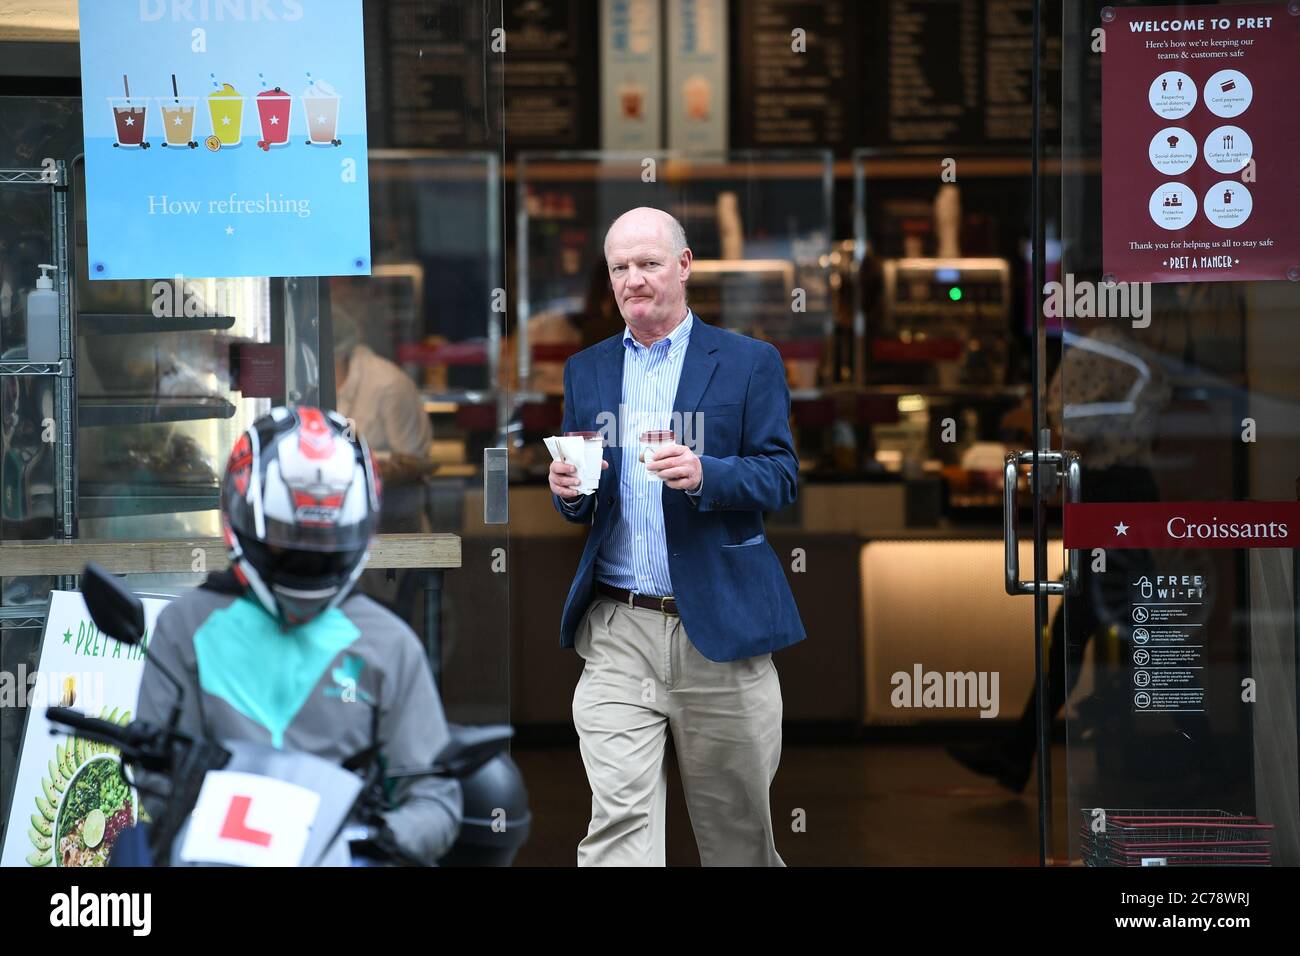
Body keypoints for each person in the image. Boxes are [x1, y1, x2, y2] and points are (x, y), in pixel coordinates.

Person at [549, 206, 805, 866]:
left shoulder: (749, 363)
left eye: (648, 264)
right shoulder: (588, 370)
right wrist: (570, 491)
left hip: (719, 629)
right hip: (618, 629)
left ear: (685, 266)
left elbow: (780, 478)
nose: (633, 280)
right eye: (619, 268)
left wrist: (705, 474)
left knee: (737, 840)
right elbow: (587, 497)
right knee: (619, 829)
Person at [135, 406, 462, 864]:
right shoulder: (186, 627)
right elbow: (155, 781)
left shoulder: (390, 646)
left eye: (327, 545)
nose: (309, 560)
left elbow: (433, 798)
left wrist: (377, 838)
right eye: (288, 541)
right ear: (243, 521)